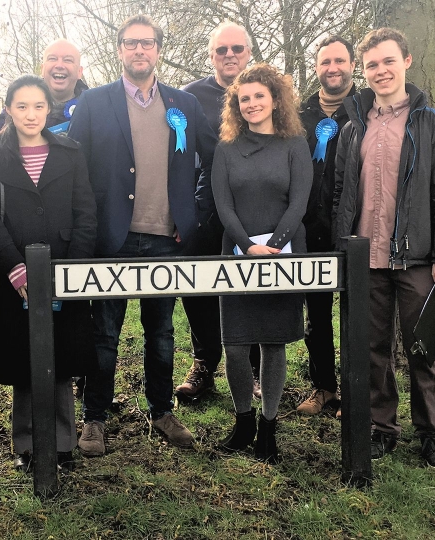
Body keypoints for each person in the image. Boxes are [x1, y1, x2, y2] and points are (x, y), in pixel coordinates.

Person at [68, 14, 218, 457]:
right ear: (119, 50)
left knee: (162, 332)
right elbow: (75, 172)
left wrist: (197, 211)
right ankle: (94, 419)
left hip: (165, 239)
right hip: (112, 240)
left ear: (157, 50)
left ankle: (161, 411)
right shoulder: (95, 103)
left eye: (147, 43)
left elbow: (213, 159)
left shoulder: (183, 105)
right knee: (105, 334)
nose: (139, 51)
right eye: (131, 43)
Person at [333, 28, 435, 470]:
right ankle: (381, 429)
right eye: (371, 65)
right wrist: (341, 247)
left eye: (388, 61)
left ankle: (432, 434)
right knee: (372, 349)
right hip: (364, 258)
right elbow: (341, 193)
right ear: (363, 72)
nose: (380, 71)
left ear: (406, 61)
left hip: (418, 259)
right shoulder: (353, 127)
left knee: (424, 348)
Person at [0, 75, 98, 473]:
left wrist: (71, 271)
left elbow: (85, 213)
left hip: (64, 269)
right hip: (18, 276)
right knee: (26, 357)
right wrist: (14, 269)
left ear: (50, 109)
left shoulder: (70, 151)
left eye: (39, 106)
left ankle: (63, 444)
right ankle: (27, 444)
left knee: (61, 358)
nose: (31, 114)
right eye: (22, 106)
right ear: (8, 109)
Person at [213, 64, 311, 463]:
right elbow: (223, 204)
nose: (252, 104)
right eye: (244, 98)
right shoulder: (225, 149)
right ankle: (243, 422)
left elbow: (299, 202)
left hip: (283, 257)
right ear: (236, 105)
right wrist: (246, 246)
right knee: (235, 346)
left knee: (273, 344)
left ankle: (269, 429)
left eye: (259, 96)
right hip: (236, 256)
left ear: (275, 100)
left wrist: (274, 245)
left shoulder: (295, 145)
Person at [176, 21, 260, 402]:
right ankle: (204, 365)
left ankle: (255, 370)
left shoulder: (266, 91)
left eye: (237, 49)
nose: (229, 56)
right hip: (203, 212)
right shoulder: (188, 99)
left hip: (255, 214)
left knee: (250, 289)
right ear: (211, 56)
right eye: (221, 50)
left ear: (249, 52)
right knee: (197, 288)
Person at [295, 36, 356, 416]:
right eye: (325, 62)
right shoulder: (299, 116)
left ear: (352, 65)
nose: (332, 68)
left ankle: (356, 389)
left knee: (359, 313)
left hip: (355, 227)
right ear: (316, 67)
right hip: (310, 228)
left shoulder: (367, 110)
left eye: (340, 60)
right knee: (316, 315)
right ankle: (324, 388)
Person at [0, 39, 87, 141]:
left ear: (79, 71)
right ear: (42, 69)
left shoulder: (91, 106)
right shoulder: (20, 101)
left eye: (68, 60)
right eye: (52, 59)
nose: (59, 65)